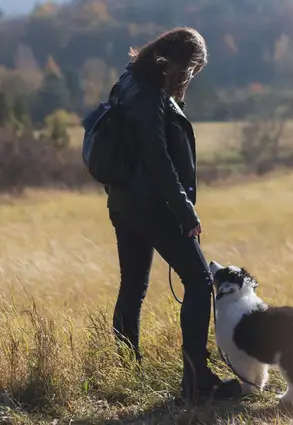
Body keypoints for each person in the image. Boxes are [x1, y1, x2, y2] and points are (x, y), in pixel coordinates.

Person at [105, 27, 244, 404]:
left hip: (123, 203)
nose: (192, 79)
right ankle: (197, 381)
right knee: (199, 283)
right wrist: (185, 212)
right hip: (154, 206)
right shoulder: (149, 96)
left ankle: (125, 368)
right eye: (193, 70)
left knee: (132, 287)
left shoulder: (128, 81)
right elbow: (158, 160)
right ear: (181, 64)